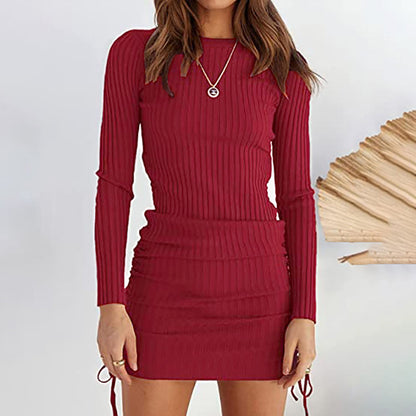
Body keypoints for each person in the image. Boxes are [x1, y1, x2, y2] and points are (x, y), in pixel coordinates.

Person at [94, 1, 322, 415]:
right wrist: (111, 305)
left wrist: (305, 314)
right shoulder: (136, 55)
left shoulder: (282, 67)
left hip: (260, 298)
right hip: (163, 291)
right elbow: (114, 185)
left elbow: (296, 199)